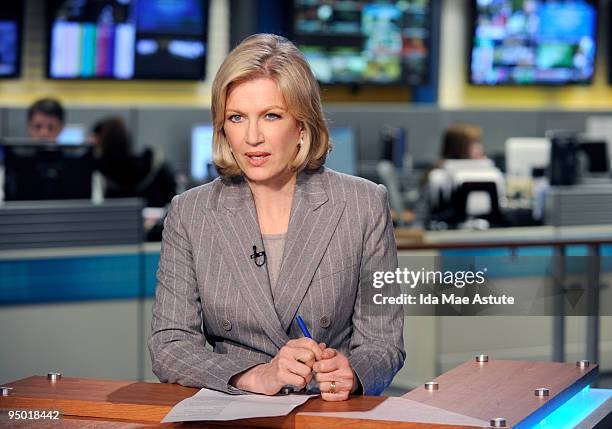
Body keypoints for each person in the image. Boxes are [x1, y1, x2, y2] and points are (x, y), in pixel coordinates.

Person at [148, 34, 405, 400]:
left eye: (271, 116)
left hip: (325, 413)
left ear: (302, 125)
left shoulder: (362, 204)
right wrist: (254, 375)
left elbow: (384, 342)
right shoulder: (191, 213)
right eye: (237, 118)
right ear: (223, 127)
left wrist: (354, 373)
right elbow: (170, 345)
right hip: (231, 412)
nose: (252, 137)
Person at [91, 116, 176, 208]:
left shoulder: (99, 170)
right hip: (158, 221)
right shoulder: (156, 165)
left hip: (113, 221)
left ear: (102, 143)